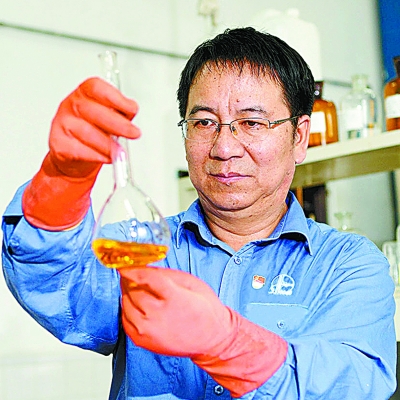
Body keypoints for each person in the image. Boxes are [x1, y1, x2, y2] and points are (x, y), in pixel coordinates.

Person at [1, 27, 396, 399]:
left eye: (251, 122)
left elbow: (354, 382)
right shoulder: (141, 250)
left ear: (299, 136)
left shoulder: (348, 265)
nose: (224, 147)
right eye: (204, 122)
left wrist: (228, 342)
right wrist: (61, 179)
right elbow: (53, 281)